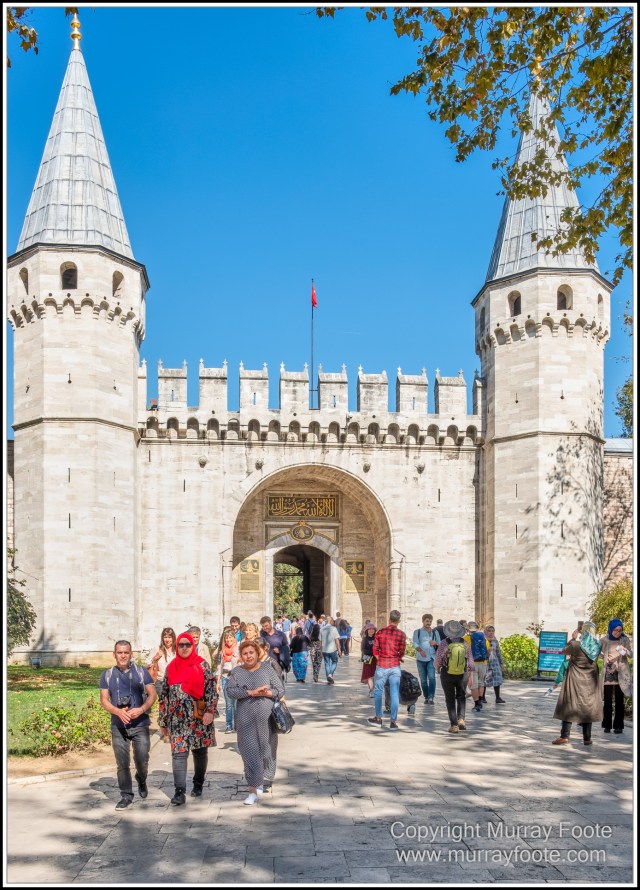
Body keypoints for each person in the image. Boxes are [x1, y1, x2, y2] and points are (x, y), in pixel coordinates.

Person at [158, 632, 218, 804]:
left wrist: (210, 711)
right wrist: (163, 721)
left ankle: (198, 783)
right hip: (177, 720)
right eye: (181, 645)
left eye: (188, 645)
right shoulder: (171, 667)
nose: (184, 648)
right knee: (178, 753)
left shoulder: (202, 665)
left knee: (199, 752)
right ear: (177, 647)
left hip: (199, 718)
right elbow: (164, 696)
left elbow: (212, 691)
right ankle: (179, 791)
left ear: (193, 646)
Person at [225, 639, 286, 805]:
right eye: (245, 653)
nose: (248, 656)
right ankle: (253, 788)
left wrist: (267, 692)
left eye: (251, 652)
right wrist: (251, 692)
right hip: (245, 718)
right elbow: (230, 691)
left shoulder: (267, 668)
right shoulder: (237, 672)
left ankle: (264, 778)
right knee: (249, 751)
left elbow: (280, 689)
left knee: (267, 750)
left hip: (267, 718)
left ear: (257, 653)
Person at [99, 640, 157, 809]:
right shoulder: (107, 675)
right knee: (122, 763)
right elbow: (104, 700)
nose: (123, 655)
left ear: (131, 654)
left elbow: (152, 695)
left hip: (140, 723)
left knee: (142, 759)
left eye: (126, 652)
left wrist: (141, 709)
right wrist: (118, 712)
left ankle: (141, 777)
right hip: (118, 725)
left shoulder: (141, 672)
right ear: (114, 654)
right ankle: (126, 795)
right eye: (119, 652)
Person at [552, 621, 602, 746]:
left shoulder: (576, 645)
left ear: (583, 631)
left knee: (569, 706)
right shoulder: (597, 646)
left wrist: (572, 639)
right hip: (590, 681)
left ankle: (564, 736)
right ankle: (587, 738)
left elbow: (564, 651)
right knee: (587, 707)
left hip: (574, 679)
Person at [368, 610, 406, 731]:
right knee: (394, 693)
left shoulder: (380, 632)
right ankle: (393, 721)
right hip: (395, 666)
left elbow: (375, 650)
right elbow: (402, 651)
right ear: (398, 621)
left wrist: (381, 659)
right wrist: (398, 658)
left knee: (378, 691)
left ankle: (378, 718)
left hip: (382, 665)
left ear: (389, 620)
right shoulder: (401, 634)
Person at [434, 620, 475, 733]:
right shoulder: (465, 643)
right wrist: (470, 675)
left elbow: (438, 660)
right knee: (461, 696)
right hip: (463, 674)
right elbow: (471, 662)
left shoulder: (444, 642)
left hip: (447, 673)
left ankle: (454, 725)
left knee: (450, 699)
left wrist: (438, 669)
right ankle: (461, 719)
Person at [599, 619, 633, 735]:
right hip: (608, 673)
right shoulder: (604, 640)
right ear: (611, 629)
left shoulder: (624, 639)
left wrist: (625, 650)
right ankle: (607, 725)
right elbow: (597, 652)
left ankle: (619, 726)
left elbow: (631, 655)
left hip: (621, 673)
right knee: (607, 700)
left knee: (619, 701)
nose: (618, 632)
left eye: (620, 630)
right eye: (615, 630)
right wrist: (604, 658)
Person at [216, 627, 240, 733]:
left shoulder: (238, 649)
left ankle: (237, 725)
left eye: (230, 638)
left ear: (234, 638)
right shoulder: (223, 651)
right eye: (226, 638)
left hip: (236, 679)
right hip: (225, 678)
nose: (228, 640)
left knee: (236, 704)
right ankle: (229, 725)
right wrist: (218, 682)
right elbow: (220, 668)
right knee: (228, 704)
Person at [463, 621, 490, 711]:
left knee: (473, 685)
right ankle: (480, 700)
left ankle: (477, 704)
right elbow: (488, 651)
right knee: (481, 683)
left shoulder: (465, 638)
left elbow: (464, 652)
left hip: (472, 664)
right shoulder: (483, 638)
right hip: (483, 663)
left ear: (468, 629)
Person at [412, 613, 438, 704]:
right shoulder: (417, 632)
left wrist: (435, 643)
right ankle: (426, 697)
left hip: (431, 658)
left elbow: (439, 643)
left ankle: (431, 697)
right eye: (427, 621)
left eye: (430, 621)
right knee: (423, 680)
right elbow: (415, 643)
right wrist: (420, 651)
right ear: (423, 621)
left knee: (431, 678)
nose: (429, 623)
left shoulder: (435, 632)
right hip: (420, 659)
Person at [147, 627, 176, 700]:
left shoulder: (177, 650)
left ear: (173, 638)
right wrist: (155, 658)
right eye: (165, 637)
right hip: (161, 682)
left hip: (175, 682)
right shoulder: (157, 649)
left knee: (174, 704)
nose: (167, 640)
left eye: (169, 637)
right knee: (164, 703)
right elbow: (147, 663)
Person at [484, 625, 506, 703]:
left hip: (495, 662)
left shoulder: (495, 640)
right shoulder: (483, 640)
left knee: (497, 679)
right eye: (489, 631)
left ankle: (498, 697)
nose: (491, 633)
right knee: (485, 679)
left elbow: (498, 652)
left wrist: (501, 663)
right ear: (486, 631)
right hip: (486, 662)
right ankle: (482, 697)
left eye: (492, 631)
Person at [320, 616, 342, 684]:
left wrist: (321, 651)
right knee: (334, 662)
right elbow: (337, 640)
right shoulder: (333, 629)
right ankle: (330, 675)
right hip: (332, 649)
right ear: (331, 621)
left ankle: (329, 678)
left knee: (327, 664)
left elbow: (320, 642)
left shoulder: (322, 629)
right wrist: (339, 650)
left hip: (324, 649)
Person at [360, 623, 377, 697]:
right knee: (369, 675)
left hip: (376, 659)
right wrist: (373, 652)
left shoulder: (376, 638)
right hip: (367, 658)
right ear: (367, 630)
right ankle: (371, 690)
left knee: (376, 674)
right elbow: (363, 649)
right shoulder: (365, 639)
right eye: (370, 629)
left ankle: (375, 689)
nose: (371, 630)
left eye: (373, 629)